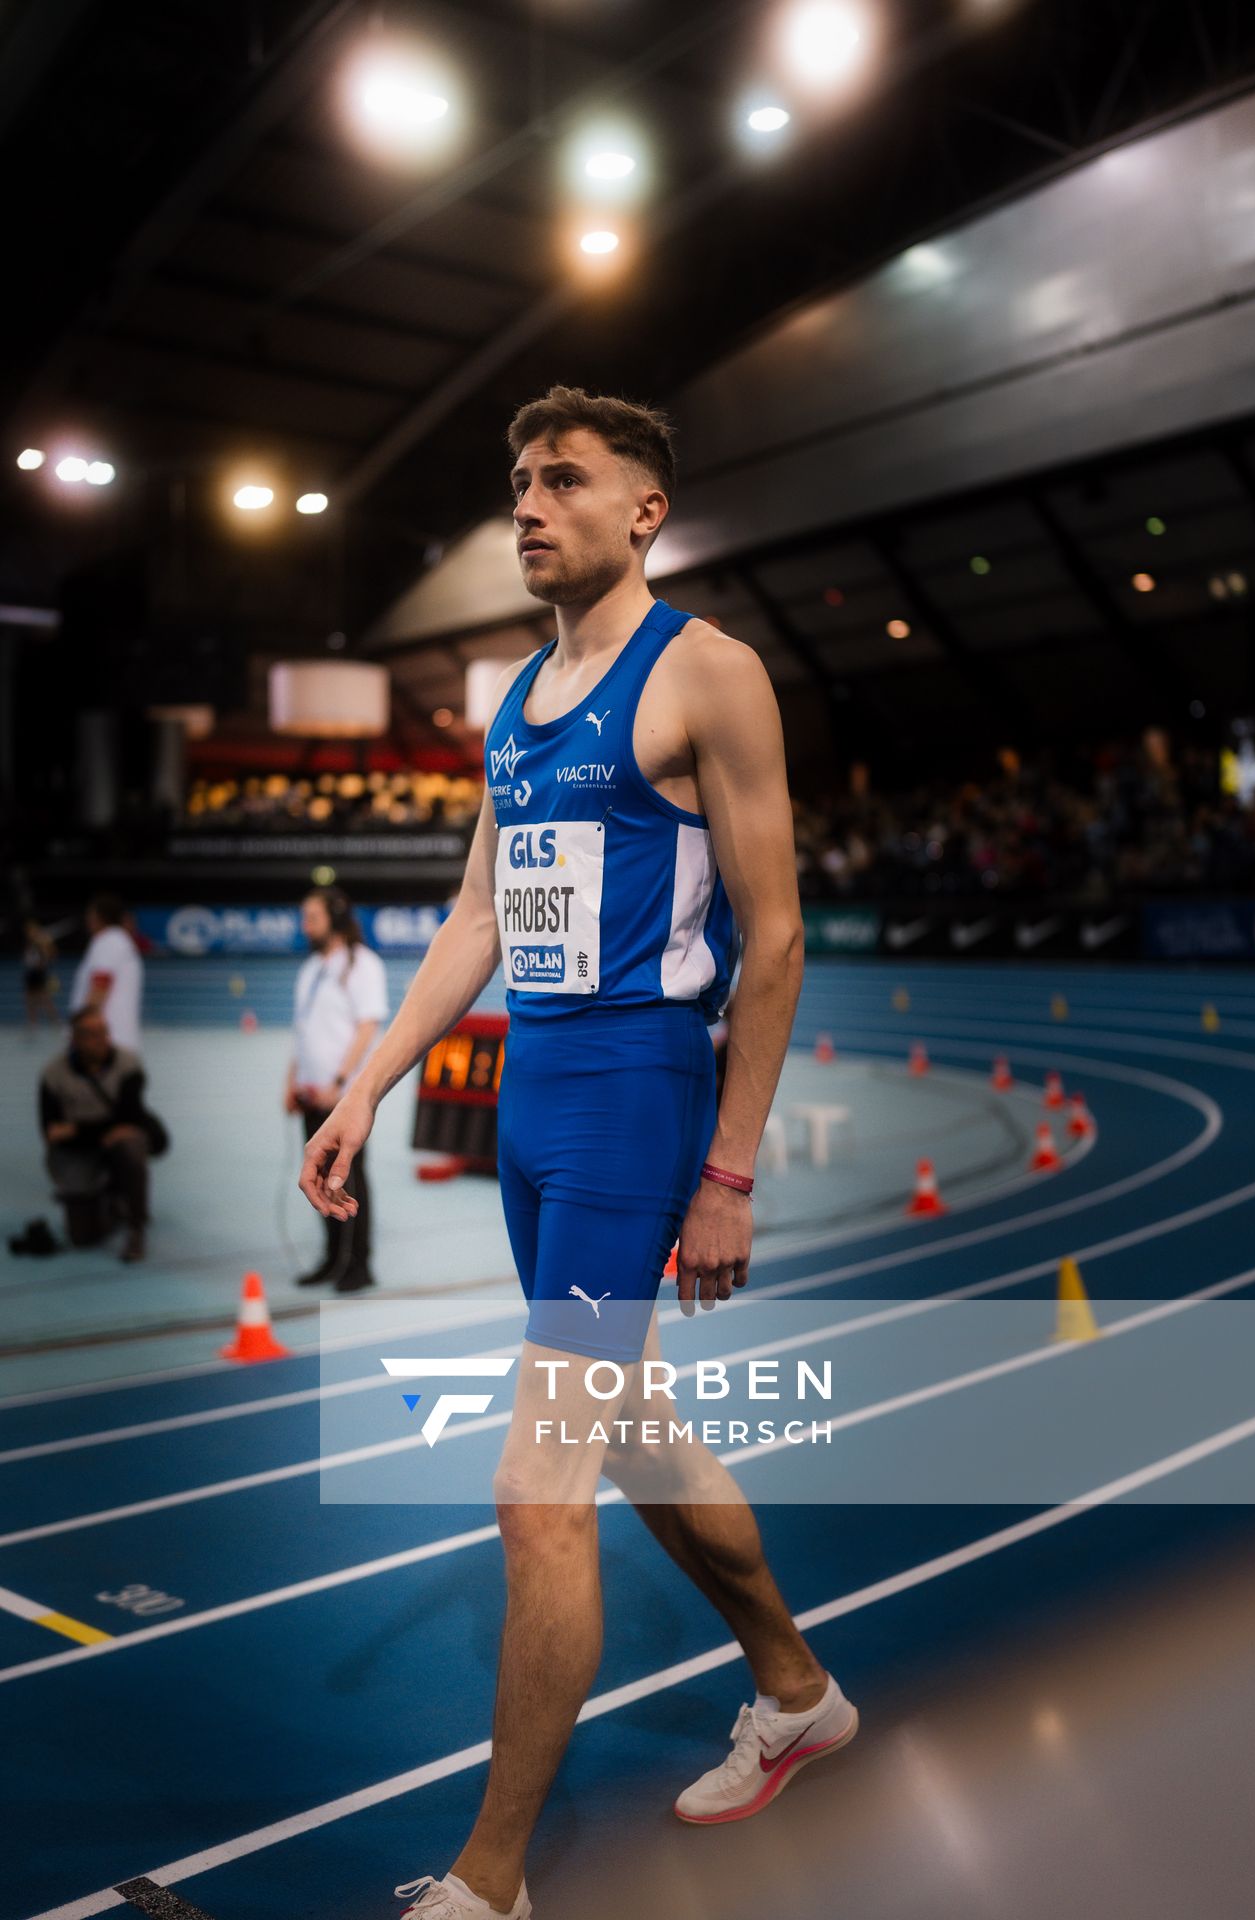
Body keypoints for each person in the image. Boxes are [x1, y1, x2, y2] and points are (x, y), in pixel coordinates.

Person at [299, 387, 856, 1917]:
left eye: (563, 480)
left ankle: (491, 1880)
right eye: (518, 484)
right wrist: (363, 1086)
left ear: (644, 510)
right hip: (534, 1110)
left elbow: (779, 934)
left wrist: (729, 1169)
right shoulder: (520, 701)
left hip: (630, 1099)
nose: (528, 506)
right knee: (636, 1433)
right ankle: (798, 1689)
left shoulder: (712, 676)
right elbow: (479, 920)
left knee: (537, 1491)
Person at [288, 885, 388, 1292]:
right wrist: (291, 1082)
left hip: (344, 1098)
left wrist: (340, 1083)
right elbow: (303, 1031)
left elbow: (367, 1027)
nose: (304, 925)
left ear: (335, 917)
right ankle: (332, 1258)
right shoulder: (312, 968)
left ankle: (359, 1264)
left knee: (350, 1178)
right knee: (317, 1176)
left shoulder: (361, 964)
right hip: (311, 1093)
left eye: (312, 917)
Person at [40, 1005, 155, 1261]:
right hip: (77, 1155)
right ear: (75, 1039)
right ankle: (108, 1200)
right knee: (82, 1239)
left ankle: (136, 1227)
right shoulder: (53, 1075)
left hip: (111, 1145)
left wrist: (74, 1129)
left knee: (131, 1144)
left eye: (104, 1031)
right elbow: (50, 1133)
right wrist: (105, 1128)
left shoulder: (128, 1064)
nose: (102, 1039)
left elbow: (131, 1119)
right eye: (92, 1034)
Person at [69, 892, 144, 1052]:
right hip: (111, 1041)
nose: (87, 919)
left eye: (90, 914)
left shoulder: (109, 941)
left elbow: (100, 986)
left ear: (98, 917)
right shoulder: (118, 941)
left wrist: (81, 1033)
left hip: (102, 1044)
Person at [22, 917, 59, 1031]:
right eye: (28, 931)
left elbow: (52, 954)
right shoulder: (29, 943)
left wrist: (44, 960)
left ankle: (55, 1022)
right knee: (29, 999)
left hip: (39, 972)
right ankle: (32, 1023)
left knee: (45, 999)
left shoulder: (42, 940)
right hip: (30, 972)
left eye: (32, 930)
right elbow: (28, 957)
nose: (30, 933)